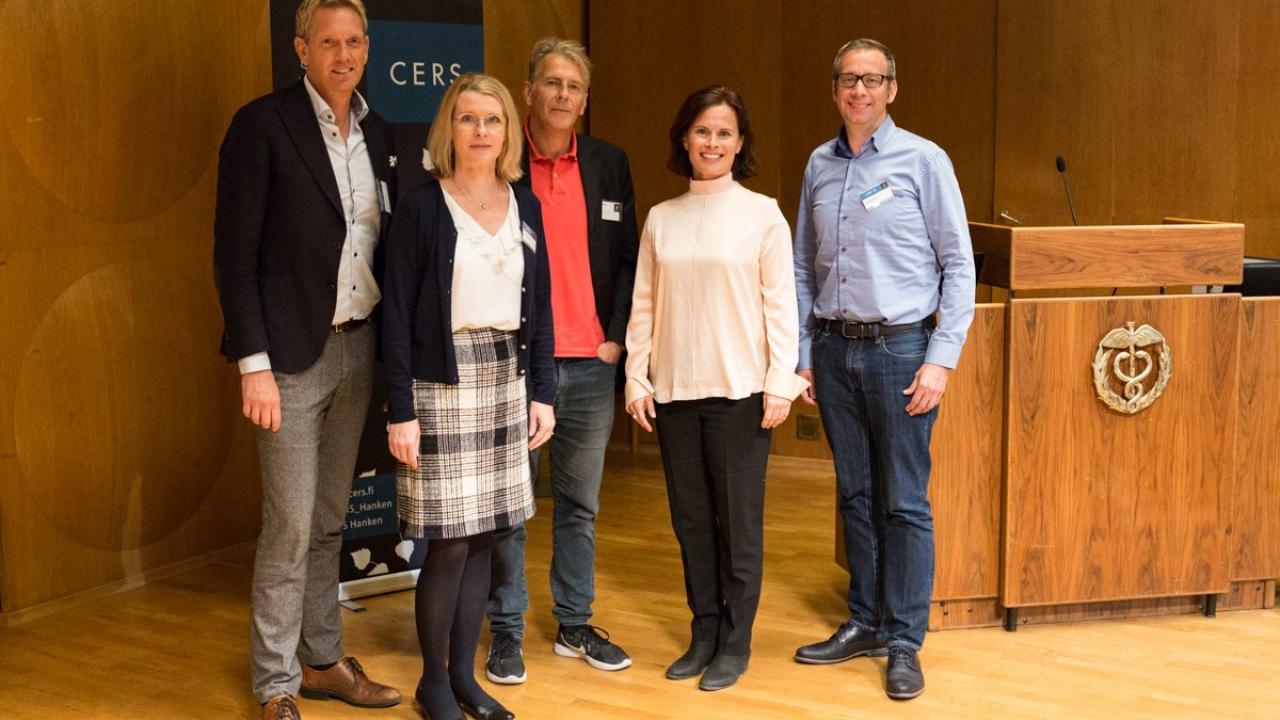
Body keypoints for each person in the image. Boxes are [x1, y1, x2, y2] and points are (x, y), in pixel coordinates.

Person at [212, 1, 401, 717]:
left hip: (359, 346)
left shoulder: (378, 132)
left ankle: (321, 659)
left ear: (367, 47)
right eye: (329, 42)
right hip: (288, 357)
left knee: (328, 518)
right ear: (301, 49)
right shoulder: (262, 126)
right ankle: (274, 682)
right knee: (290, 524)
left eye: (354, 42)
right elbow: (234, 258)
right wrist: (252, 363)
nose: (343, 54)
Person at [790, 38, 976, 701]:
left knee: (903, 502)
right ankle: (864, 620)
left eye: (871, 79)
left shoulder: (924, 160)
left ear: (892, 89)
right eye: (847, 79)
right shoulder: (818, 164)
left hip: (902, 351)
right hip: (835, 352)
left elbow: (959, 264)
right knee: (855, 496)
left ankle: (904, 640)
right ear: (835, 89)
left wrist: (941, 361)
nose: (858, 91)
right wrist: (805, 357)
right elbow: (801, 264)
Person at [624, 86, 809, 692]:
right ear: (685, 137)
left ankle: (736, 642)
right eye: (703, 131)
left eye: (725, 132)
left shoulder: (763, 214)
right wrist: (635, 375)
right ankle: (703, 631)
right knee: (692, 521)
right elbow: (643, 304)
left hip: (741, 394)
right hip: (675, 391)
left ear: (740, 144)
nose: (712, 142)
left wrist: (781, 382)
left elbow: (782, 307)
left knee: (738, 525)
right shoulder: (662, 218)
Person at [381, 72, 554, 720]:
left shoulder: (525, 205)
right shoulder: (423, 207)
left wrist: (542, 391)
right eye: (468, 119)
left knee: (485, 536)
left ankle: (464, 676)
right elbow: (395, 316)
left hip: (506, 379)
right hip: (440, 384)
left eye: (493, 120)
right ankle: (433, 682)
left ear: (508, 130)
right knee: (448, 541)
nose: (480, 131)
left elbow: (541, 307)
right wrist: (400, 410)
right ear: (448, 129)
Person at [485, 37, 638, 685]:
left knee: (579, 504)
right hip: (520, 367)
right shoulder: (498, 159)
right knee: (512, 507)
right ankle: (507, 632)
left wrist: (615, 337)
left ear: (585, 98)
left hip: (590, 365)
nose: (563, 96)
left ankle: (574, 623)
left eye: (574, 87)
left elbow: (629, 257)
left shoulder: (608, 164)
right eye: (551, 83)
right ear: (528, 91)